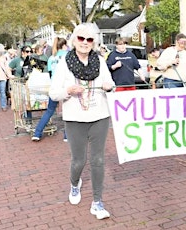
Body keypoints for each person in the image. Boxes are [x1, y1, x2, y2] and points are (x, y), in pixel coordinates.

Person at [49, 23, 115, 220]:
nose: (85, 43)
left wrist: (108, 85)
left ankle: (97, 202)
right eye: (81, 38)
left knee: (98, 159)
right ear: (74, 40)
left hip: (99, 115)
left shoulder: (100, 61)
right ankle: (74, 184)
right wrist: (68, 91)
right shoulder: (64, 63)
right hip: (75, 118)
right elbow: (53, 93)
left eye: (89, 39)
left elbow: (111, 83)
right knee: (79, 161)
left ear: (94, 42)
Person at [32, 37, 69, 142]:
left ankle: (37, 132)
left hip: (54, 85)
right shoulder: (67, 56)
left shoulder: (52, 58)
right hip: (65, 85)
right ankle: (67, 135)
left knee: (50, 110)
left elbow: (49, 73)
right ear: (64, 45)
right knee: (67, 110)